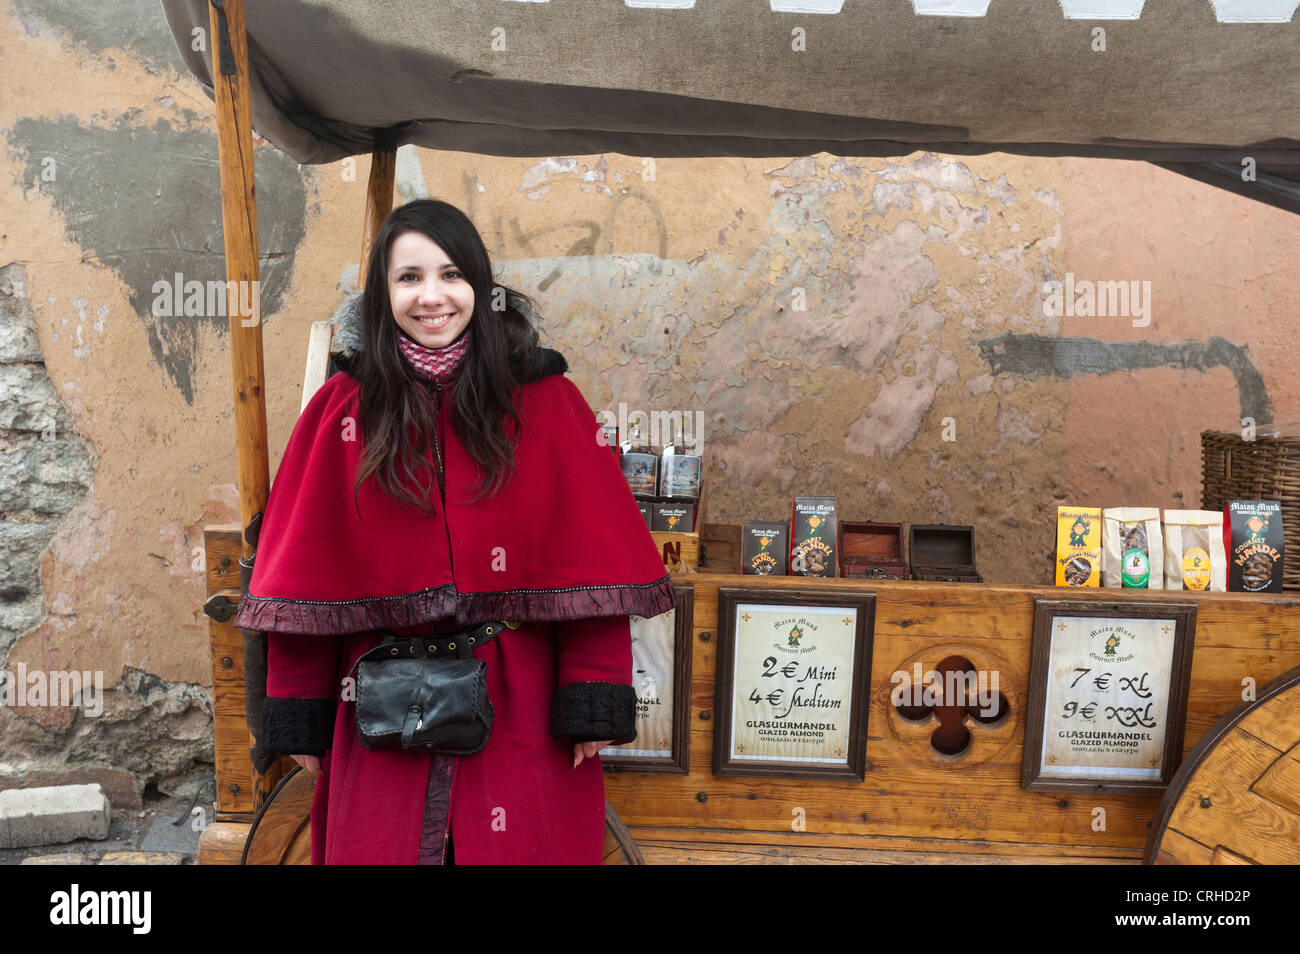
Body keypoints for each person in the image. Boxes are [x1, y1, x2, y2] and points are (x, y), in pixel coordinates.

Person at [233, 199, 676, 864]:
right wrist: (298, 707)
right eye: (408, 278)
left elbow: (591, 569)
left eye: (450, 275)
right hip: (375, 692)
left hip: (517, 692)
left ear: (480, 286)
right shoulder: (341, 409)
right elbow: (304, 581)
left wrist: (593, 691)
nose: (432, 296)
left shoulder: (545, 401)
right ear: (384, 296)